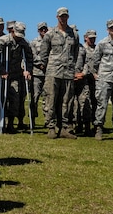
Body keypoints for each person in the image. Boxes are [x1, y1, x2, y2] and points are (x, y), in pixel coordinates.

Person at [38, 7, 80, 139]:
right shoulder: (50, 34)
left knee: (66, 101)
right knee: (51, 100)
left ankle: (63, 128)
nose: (63, 18)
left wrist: (72, 67)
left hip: (68, 72)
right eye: (61, 16)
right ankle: (51, 127)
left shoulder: (74, 34)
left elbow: (76, 53)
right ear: (57, 17)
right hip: (53, 72)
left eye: (65, 16)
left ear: (68, 17)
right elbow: (43, 54)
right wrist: (47, 69)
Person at [0, 22, 34, 133]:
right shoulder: (2, 41)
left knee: (15, 98)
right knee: (1, 98)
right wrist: (1, 70)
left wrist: (27, 70)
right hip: (3, 73)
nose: (19, 37)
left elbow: (29, 58)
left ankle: (11, 123)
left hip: (15, 74)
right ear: (12, 32)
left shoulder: (24, 43)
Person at [73, 29, 98, 137]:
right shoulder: (69, 47)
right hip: (71, 79)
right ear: (85, 38)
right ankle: (74, 125)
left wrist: (83, 73)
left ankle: (87, 126)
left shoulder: (83, 49)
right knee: (72, 104)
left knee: (85, 102)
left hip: (85, 79)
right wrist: (72, 75)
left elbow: (86, 63)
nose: (92, 40)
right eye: (90, 38)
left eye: (94, 38)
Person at [29, 22, 50, 127]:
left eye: (45, 29)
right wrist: (41, 64)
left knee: (47, 98)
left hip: (48, 73)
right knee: (35, 97)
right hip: (37, 74)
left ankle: (47, 120)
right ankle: (32, 119)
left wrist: (46, 65)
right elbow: (32, 55)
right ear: (38, 30)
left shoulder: (51, 41)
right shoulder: (33, 42)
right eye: (42, 29)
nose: (44, 31)